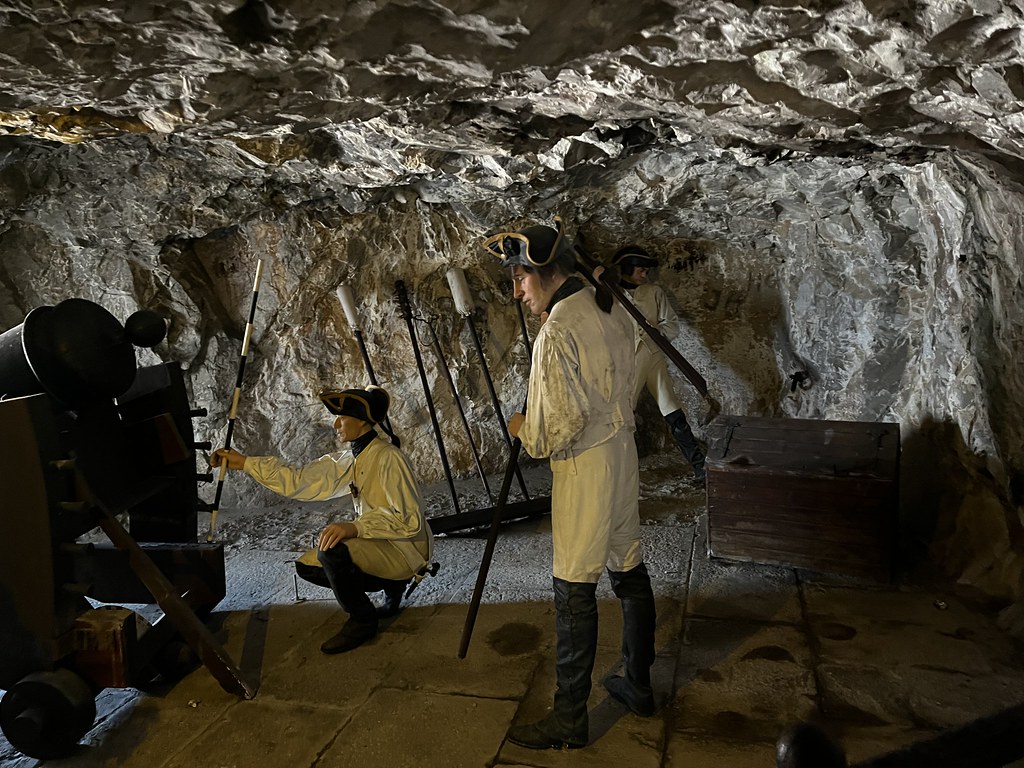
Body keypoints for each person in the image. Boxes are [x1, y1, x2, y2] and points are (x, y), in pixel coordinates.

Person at [483, 219, 658, 750]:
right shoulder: (606, 308)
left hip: (585, 467)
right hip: (622, 453)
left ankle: (569, 719)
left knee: (574, 588)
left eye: (520, 277)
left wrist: (521, 428)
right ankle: (637, 682)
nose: (517, 290)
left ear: (544, 272)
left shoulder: (557, 331)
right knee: (628, 566)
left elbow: (553, 430)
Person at [210, 385, 435, 655]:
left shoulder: (389, 458)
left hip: (406, 548)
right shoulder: (353, 457)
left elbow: (409, 520)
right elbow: (299, 480)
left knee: (332, 553)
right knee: (309, 565)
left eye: (342, 417)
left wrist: (355, 527)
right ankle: (392, 586)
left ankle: (364, 619)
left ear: (363, 421)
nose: (336, 424)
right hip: (384, 542)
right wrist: (244, 463)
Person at [612, 245, 706, 483]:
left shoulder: (653, 292)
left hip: (653, 356)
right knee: (622, 417)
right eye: (640, 271)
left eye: (645, 271)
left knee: (672, 411)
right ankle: (618, 475)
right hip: (627, 361)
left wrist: (657, 332)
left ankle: (701, 468)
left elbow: (671, 324)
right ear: (627, 268)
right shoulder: (609, 293)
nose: (644, 275)